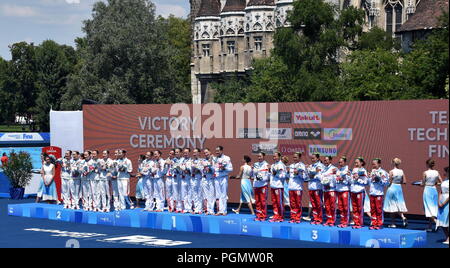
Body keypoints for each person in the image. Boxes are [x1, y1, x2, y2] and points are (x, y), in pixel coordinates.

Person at [384, 158, 408, 228]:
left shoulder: (391, 171)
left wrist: (386, 185)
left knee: (392, 205)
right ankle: (403, 217)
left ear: (393, 163)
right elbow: (404, 181)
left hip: (392, 187)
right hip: (399, 188)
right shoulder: (401, 171)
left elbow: (389, 182)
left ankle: (393, 223)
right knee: (398, 204)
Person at [368, 158, 390, 230]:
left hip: (379, 194)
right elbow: (369, 182)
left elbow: (386, 183)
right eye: (372, 164)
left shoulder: (383, 172)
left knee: (379, 209)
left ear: (379, 164)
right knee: (373, 209)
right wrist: (369, 177)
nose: (373, 165)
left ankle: (379, 224)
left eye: (374, 164)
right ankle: (373, 223)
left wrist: (379, 180)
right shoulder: (372, 171)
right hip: (372, 193)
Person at [422, 159, 443, 231]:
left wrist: (419, 184)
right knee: (433, 208)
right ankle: (430, 227)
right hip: (434, 190)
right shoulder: (436, 172)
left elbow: (423, 184)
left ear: (427, 164)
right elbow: (441, 182)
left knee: (428, 207)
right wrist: (436, 183)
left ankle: (436, 222)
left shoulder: (425, 173)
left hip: (427, 190)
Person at [350, 157, 369, 229]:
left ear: (361, 163)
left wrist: (358, 179)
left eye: (357, 162)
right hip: (353, 191)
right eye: (355, 163)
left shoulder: (364, 171)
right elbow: (351, 181)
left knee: (359, 208)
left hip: (360, 191)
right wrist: (350, 177)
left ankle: (360, 223)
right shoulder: (354, 169)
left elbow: (366, 182)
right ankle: (356, 222)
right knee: (354, 208)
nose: (355, 164)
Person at [213, 146, 233, 216]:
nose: (217, 152)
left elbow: (231, 169)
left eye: (218, 151)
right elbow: (213, 168)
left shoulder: (227, 158)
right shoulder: (214, 159)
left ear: (222, 151)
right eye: (216, 151)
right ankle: (219, 210)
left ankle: (224, 210)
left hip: (224, 177)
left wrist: (224, 168)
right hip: (216, 178)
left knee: (223, 194)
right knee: (218, 195)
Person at [287, 152, 306, 224]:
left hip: (298, 188)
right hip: (291, 187)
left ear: (299, 158)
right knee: (292, 204)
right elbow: (288, 177)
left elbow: (304, 177)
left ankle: (297, 218)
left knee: (298, 203)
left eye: (296, 157)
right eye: (294, 157)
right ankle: (292, 217)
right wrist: (288, 172)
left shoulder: (302, 166)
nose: (294, 159)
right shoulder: (291, 165)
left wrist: (298, 174)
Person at [307, 154, 325, 225]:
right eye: (311, 158)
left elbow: (320, 176)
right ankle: (315, 218)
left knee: (318, 204)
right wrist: (312, 174)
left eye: (314, 158)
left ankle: (319, 219)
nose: (312, 160)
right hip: (311, 187)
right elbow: (308, 176)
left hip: (318, 187)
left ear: (317, 158)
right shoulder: (311, 166)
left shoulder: (320, 166)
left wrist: (313, 174)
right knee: (313, 205)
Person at [269, 153, 287, 222]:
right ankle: (276, 216)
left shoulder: (281, 165)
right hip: (273, 186)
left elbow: (284, 176)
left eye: (275, 156)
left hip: (279, 186)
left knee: (279, 202)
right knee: (274, 202)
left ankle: (281, 217)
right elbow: (271, 175)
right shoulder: (273, 165)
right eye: (273, 156)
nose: (274, 158)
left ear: (279, 157)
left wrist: (276, 174)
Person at [321, 156, 338, 226]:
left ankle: (333, 221)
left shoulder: (334, 169)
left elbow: (336, 179)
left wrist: (330, 185)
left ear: (330, 160)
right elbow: (321, 178)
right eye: (324, 160)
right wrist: (324, 183)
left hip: (332, 190)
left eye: (327, 160)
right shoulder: (323, 169)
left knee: (332, 206)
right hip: (325, 190)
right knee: (327, 206)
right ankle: (328, 220)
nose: (325, 162)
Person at [336, 156, 351, 228]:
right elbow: (336, 180)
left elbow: (350, 181)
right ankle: (342, 221)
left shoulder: (348, 170)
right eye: (339, 162)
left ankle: (346, 222)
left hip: (345, 190)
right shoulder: (338, 170)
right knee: (340, 207)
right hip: (339, 190)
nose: (340, 163)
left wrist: (343, 180)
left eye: (341, 162)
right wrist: (338, 180)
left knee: (345, 207)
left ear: (345, 162)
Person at [436, 167, 449, 245]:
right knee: (442, 222)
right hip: (441, 202)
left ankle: (448, 238)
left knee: (446, 221)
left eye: (446, 172)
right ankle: (447, 236)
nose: (444, 173)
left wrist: (444, 203)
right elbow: (440, 192)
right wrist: (438, 201)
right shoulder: (444, 181)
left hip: (447, 202)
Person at [202, 148, 216, 215]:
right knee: (206, 195)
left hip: (211, 178)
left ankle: (211, 210)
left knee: (212, 195)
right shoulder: (203, 160)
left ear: (210, 152)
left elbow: (215, 169)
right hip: (205, 179)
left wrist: (210, 166)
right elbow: (202, 169)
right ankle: (207, 210)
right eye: (204, 153)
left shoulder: (214, 160)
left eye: (207, 152)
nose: (206, 154)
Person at [190, 149, 204, 214]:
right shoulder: (191, 161)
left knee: (200, 194)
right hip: (193, 178)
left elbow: (203, 169)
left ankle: (200, 209)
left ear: (199, 153)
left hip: (199, 178)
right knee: (194, 194)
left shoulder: (201, 160)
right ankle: (196, 209)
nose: (194, 154)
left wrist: (197, 167)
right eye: (193, 152)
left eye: (196, 152)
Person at [180, 148, 192, 213]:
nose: (185, 154)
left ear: (189, 153)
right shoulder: (181, 160)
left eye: (186, 152)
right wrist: (180, 169)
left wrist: (188, 169)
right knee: (184, 194)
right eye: (184, 153)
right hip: (183, 178)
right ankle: (185, 208)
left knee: (189, 193)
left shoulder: (191, 160)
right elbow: (178, 168)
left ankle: (189, 208)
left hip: (189, 178)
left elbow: (192, 170)